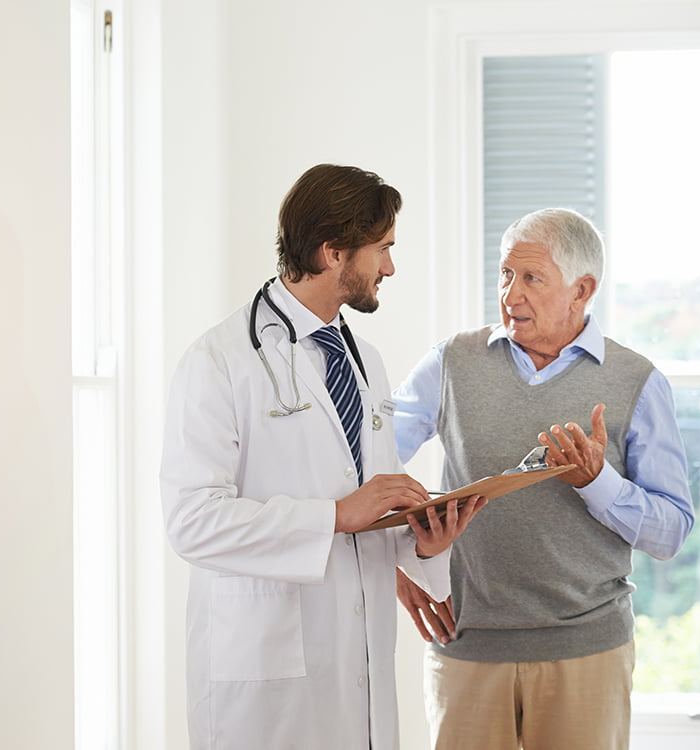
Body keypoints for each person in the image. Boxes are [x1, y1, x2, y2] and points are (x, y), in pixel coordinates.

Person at [160, 163, 486, 750]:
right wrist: (335, 515)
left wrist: (425, 546)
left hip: (356, 670)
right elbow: (192, 524)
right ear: (333, 251)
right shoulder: (219, 361)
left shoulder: (365, 361)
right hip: (265, 683)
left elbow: (370, 512)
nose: (390, 267)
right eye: (381, 249)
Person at [391, 208, 695, 750]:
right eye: (505, 275)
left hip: (587, 655)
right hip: (466, 649)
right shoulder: (449, 363)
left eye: (531, 278)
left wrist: (597, 482)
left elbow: (669, 533)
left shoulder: (638, 382)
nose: (510, 294)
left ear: (582, 289)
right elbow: (363, 466)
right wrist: (396, 563)